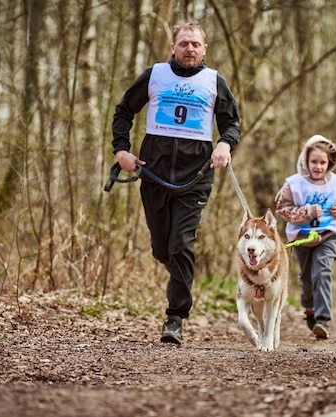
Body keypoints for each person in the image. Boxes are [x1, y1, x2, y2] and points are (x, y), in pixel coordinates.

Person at [111, 22, 241, 345]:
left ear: (204, 49)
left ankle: (175, 318)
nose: (190, 49)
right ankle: (179, 272)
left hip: (194, 177)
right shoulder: (154, 75)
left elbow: (231, 124)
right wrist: (121, 150)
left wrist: (225, 144)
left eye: (196, 44)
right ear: (173, 46)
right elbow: (124, 111)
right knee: (162, 247)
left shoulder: (214, 82)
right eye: (184, 43)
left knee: (181, 244)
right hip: (153, 174)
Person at [275, 134, 336, 339]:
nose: (318, 167)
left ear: (330, 163)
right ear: (305, 161)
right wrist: (306, 212)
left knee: (322, 271)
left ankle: (323, 319)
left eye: (322, 162)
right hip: (302, 237)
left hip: (328, 236)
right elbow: (282, 209)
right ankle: (309, 310)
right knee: (307, 278)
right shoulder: (293, 184)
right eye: (314, 162)